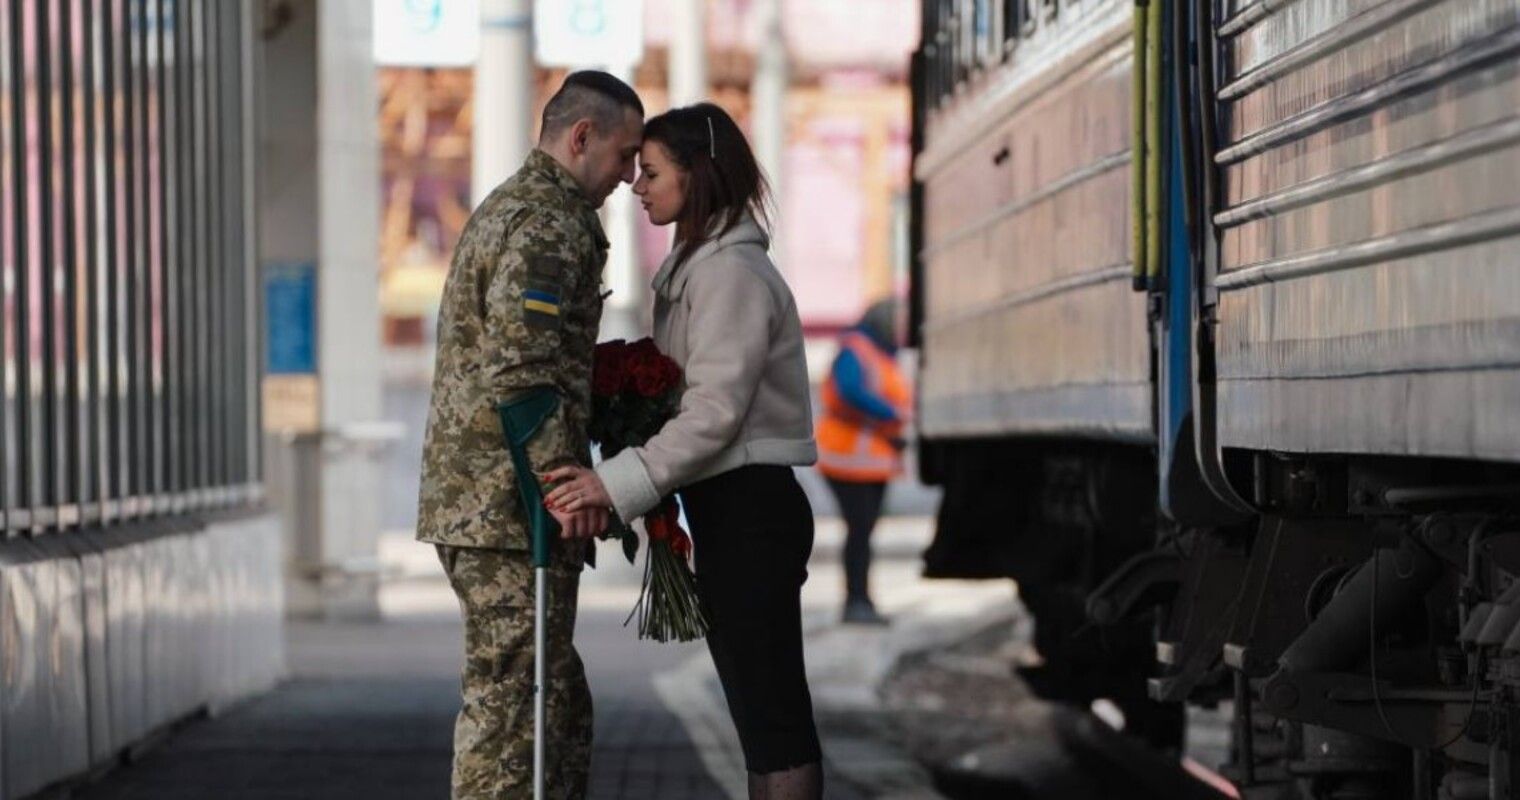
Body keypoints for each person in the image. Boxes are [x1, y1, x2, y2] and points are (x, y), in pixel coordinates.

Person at [542, 103, 824, 800]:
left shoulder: (729, 275)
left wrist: (615, 483)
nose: (639, 186)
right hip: (731, 508)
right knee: (761, 722)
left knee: (773, 724)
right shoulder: (704, 265)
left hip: (751, 509)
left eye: (653, 171)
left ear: (698, 174)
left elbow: (714, 413)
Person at [415, 70, 643, 799]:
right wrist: (562, 488)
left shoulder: (522, 207)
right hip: (506, 507)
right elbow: (522, 368)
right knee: (515, 707)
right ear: (582, 138)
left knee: (551, 698)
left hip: (495, 500)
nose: (629, 176)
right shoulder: (546, 222)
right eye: (625, 155)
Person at [816, 299, 913, 625]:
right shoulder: (856, 349)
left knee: (863, 531)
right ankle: (856, 603)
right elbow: (849, 390)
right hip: (847, 459)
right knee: (859, 531)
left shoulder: (881, 353)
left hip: (869, 460)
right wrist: (890, 413)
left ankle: (862, 601)